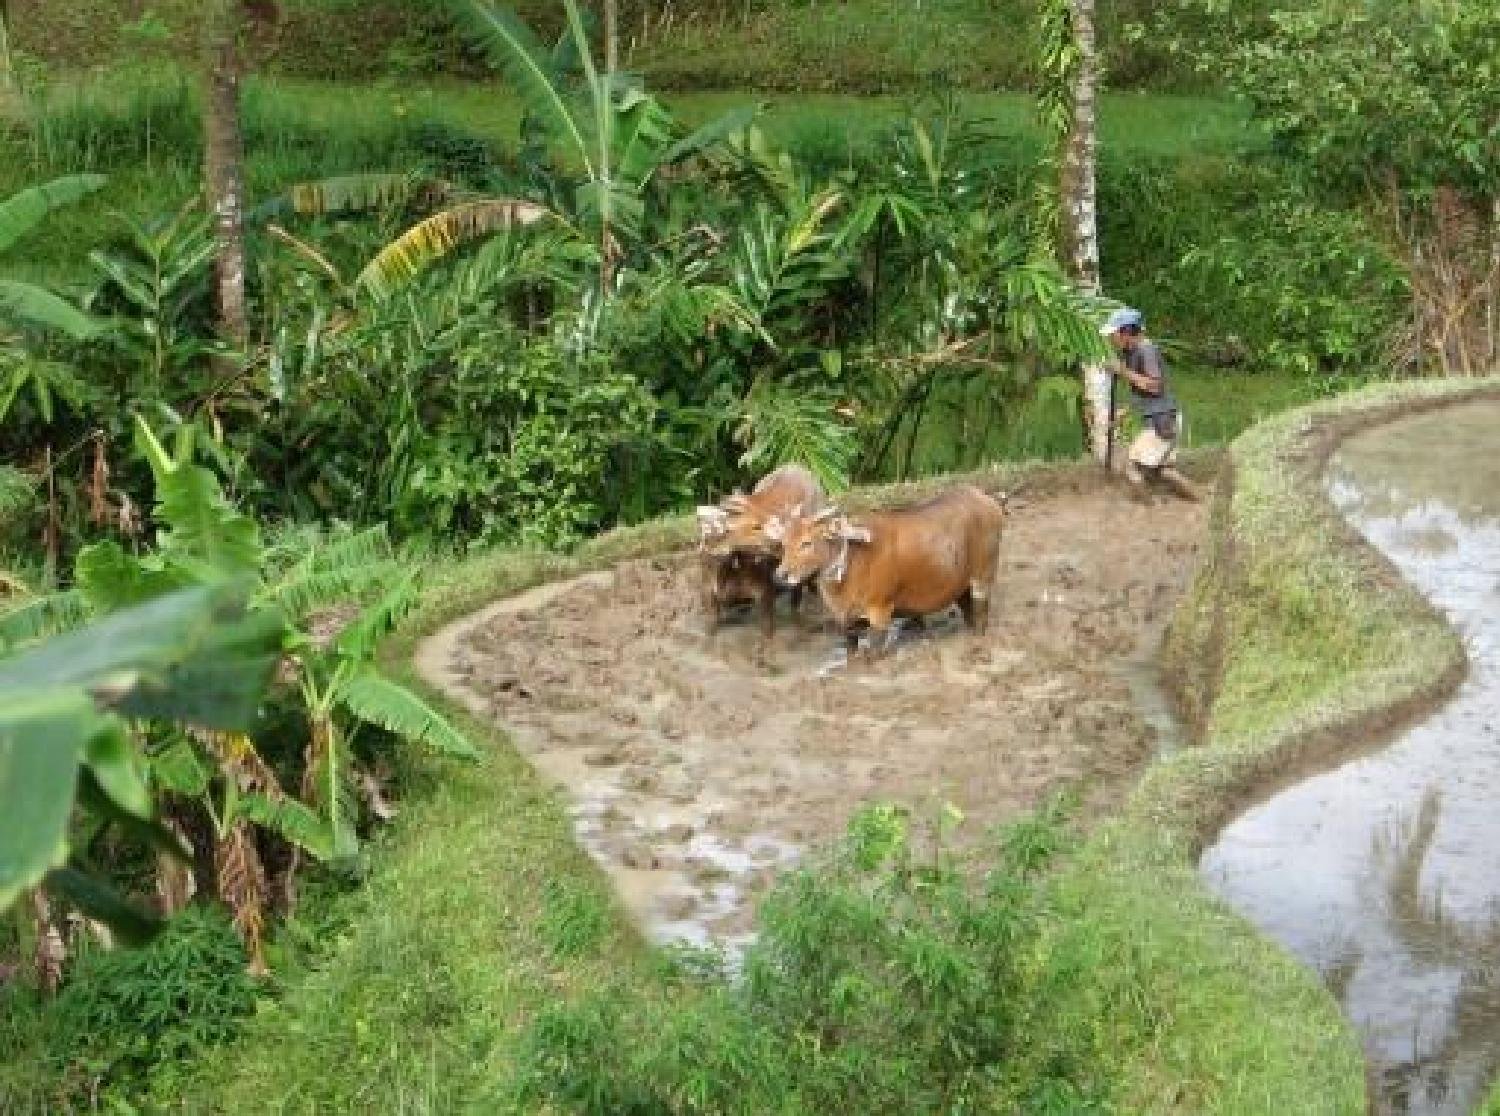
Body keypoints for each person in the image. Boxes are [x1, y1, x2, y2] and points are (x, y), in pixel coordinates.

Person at [1099, 307, 1197, 501]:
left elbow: (1154, 386)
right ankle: (1201, 499)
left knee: (1132, 467)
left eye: (1114, 333)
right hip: (1163, 417)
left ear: (1126, 332)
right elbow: (1141, 391)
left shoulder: (1146, 349)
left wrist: (1123, 371)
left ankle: (1149, 507)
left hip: (1162, 419)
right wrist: (1125, 411)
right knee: (1164, 470)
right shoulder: (1132, 352)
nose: (1112, 338)